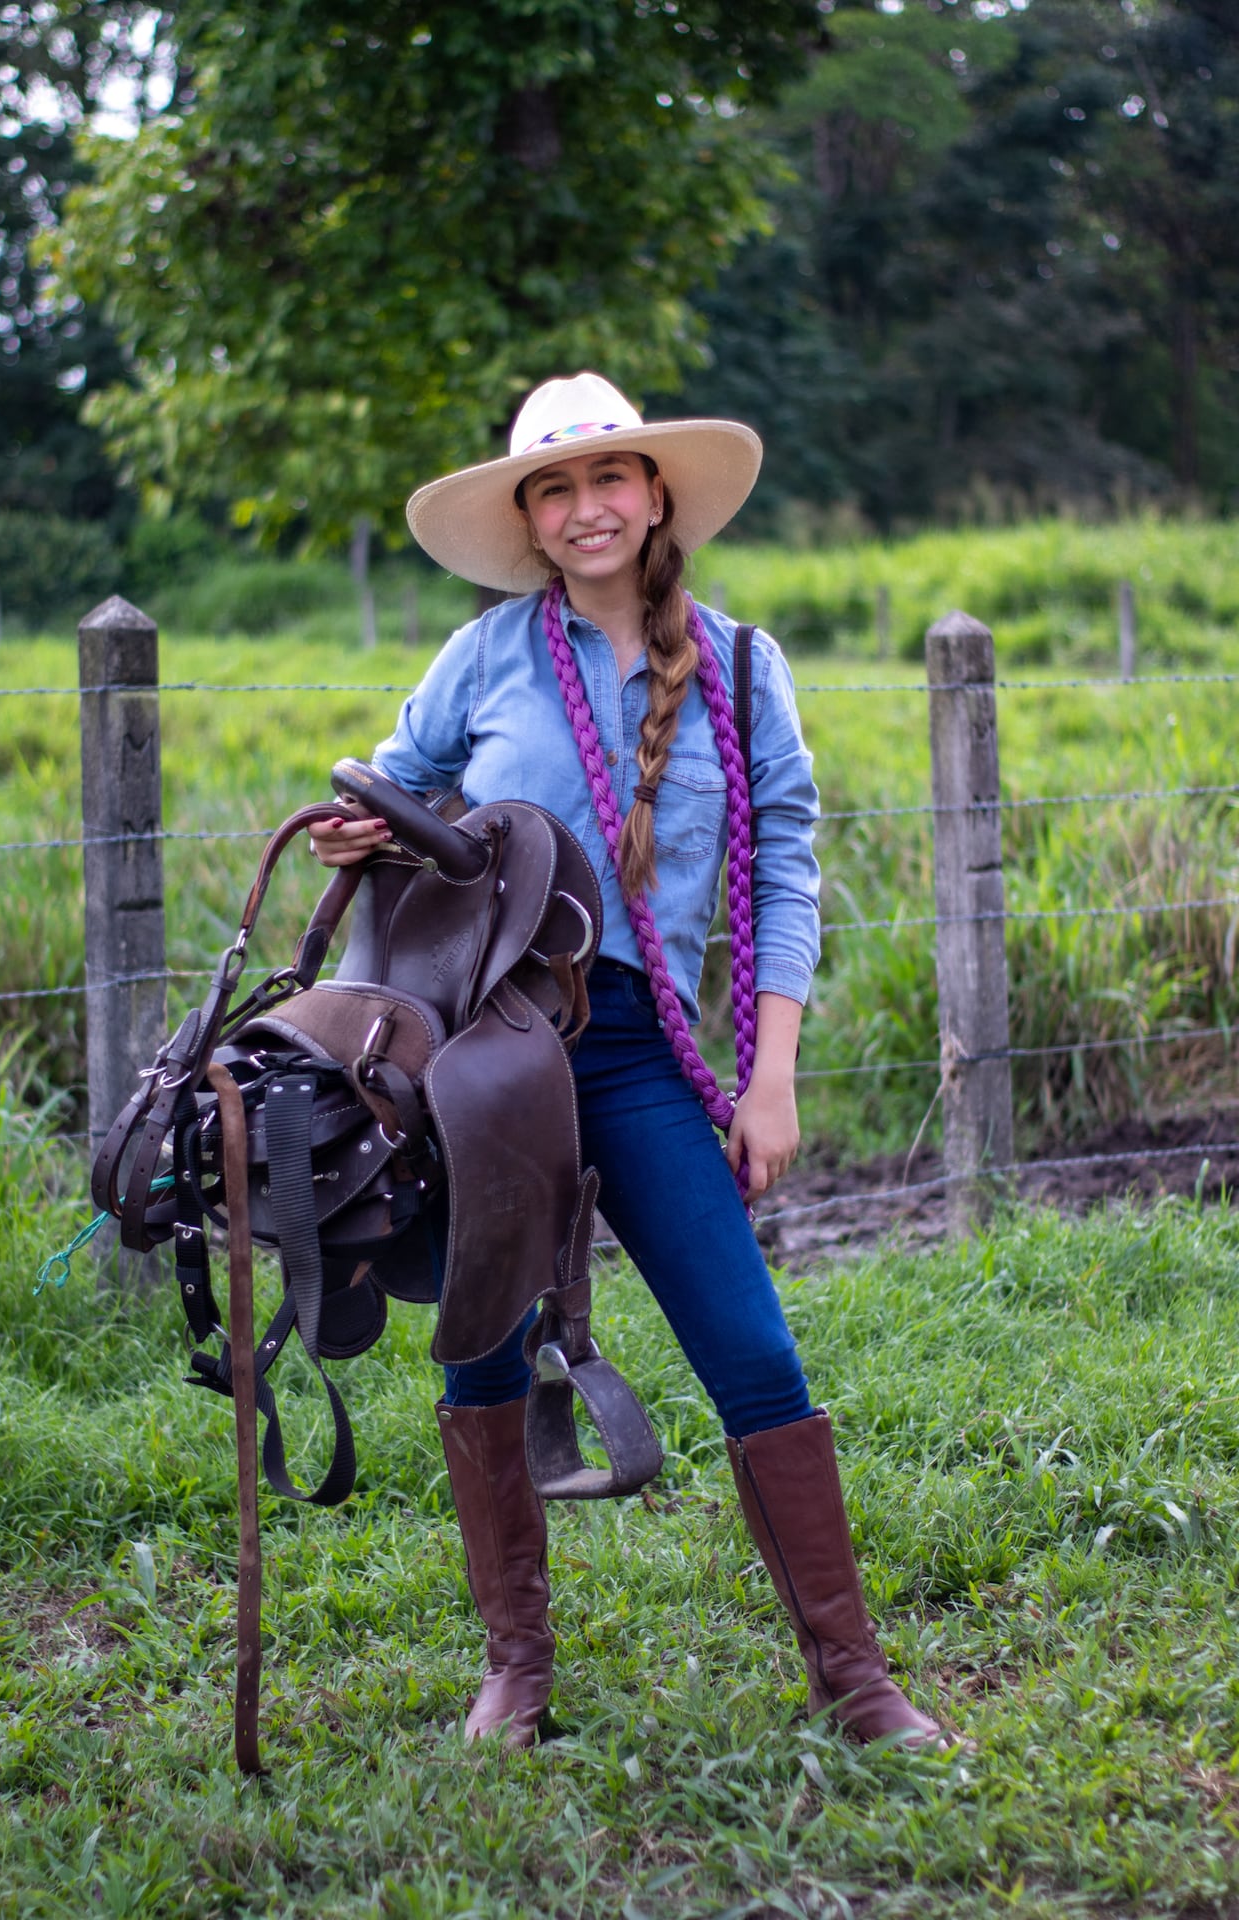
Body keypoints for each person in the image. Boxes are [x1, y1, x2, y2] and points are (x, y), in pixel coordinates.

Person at [310, 372, 946, 1751]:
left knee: (754, 1351)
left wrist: (770, 1075)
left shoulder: (743, 666)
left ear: (657, 495)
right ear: (530, 520)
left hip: (641, 1049)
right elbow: (395, 781)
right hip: (490, 1058)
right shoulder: (485, 656)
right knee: (484, 1345)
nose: (585, 508)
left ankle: (854, 1679)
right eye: (553, 488)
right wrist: (361, 821)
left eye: (609, 477)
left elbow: (784, 867)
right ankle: (517, 1669)